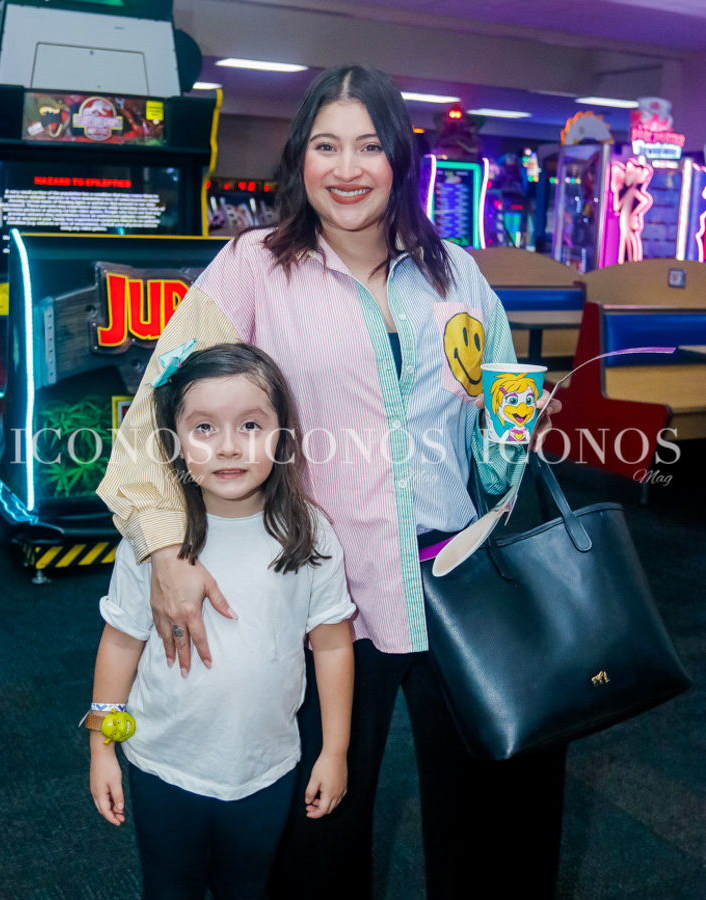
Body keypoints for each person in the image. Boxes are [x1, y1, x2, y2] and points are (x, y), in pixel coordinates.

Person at [98, 65, 565, 899]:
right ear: (299, 158)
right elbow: (154, 412)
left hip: (455, 580)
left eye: (368, 146)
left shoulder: (456, 275)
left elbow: (494, 446)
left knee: (495, 816)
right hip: (318, 592)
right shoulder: (251, 267)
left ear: (400, 159)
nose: (346, 169)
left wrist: (513, 427)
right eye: (325, 146)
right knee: (318, 832)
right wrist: (165, 550)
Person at [88, 343, 355, 900]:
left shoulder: (311, 535)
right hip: (161, 764)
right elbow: (119, 644)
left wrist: (334, 751)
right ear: (174, 441)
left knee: (246, 890)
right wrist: (101, 747)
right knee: (168, 889)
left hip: (266, 768)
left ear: (283, 436)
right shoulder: (152, 542)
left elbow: (332, 646)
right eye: (204, 427)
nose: (230, 446)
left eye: (252, 425)